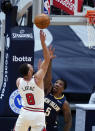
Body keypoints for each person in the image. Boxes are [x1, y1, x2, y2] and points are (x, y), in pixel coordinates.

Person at [14, 30, 50, 131]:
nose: (31, 66)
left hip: (24, 113)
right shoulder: (37, 79)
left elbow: (31, 82)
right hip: (37, 114)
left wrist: (39, 72)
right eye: (30, 67)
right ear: (30, 72)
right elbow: (47, 60)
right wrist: (43, 42)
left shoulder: (18, 81)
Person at [43, 45, 72, 131]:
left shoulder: (64, 103)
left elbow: (68, 121)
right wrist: (50, 60)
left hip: (51, 127)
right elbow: (48, 77)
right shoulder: (48, 91)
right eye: (56, 82)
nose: (56, 84)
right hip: (38, 124)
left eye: (60, 84)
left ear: (63, 89)